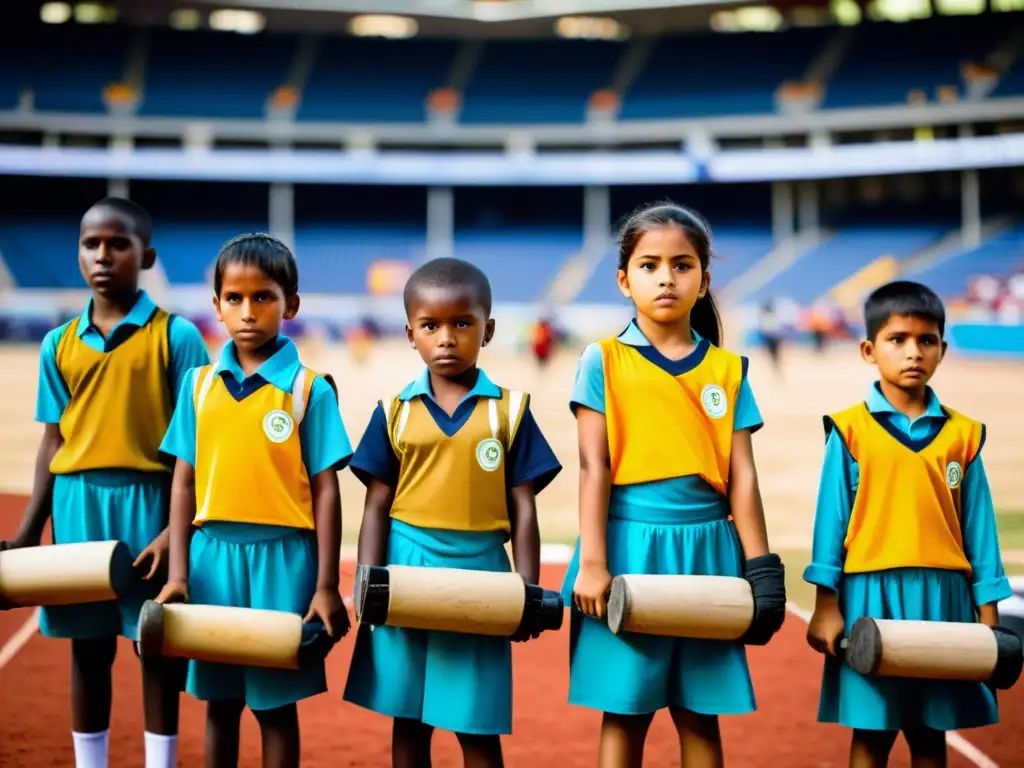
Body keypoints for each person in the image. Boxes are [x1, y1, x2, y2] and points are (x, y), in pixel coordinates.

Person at [564, 202, 787, 768]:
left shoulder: (727, 370)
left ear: (704, 279)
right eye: (649, 265)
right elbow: (594, 466)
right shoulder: (603, 361)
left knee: (698, 713)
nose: (666, 277)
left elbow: (744, 476)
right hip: (627, 547)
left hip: (709, 551)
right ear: (623, 279)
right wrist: (592, 561)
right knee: (626, 710)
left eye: (682, 265)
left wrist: (761, 568)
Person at [1, 197, 210, 768]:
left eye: (118, 244)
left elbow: (194, 449)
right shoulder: (58, 344)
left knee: (156, 643)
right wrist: (25, 536)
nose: (102, 255)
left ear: (147, 256)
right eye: (91, 244)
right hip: (78, 509)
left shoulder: (178, 337)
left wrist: (177, 531)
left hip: (151, 506)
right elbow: (54, 442)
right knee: (87, 650)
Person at [343, 257, 562, 768]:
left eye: (461, 324)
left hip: (482, 573)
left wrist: (525, 589)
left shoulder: (509, 411)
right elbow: (377, 504)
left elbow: (523, 508)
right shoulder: (394, 410)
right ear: (410, 333)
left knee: (475, 725)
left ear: (487, 330)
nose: (446, 338)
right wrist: (367, 579)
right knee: (410, 720)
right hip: (405, 567)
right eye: (431, 326)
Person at [156, 233, 352, 768]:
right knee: (220, 705)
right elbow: (182, 483)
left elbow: (327, 492)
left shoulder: (310, 389)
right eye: (235, 299)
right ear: (216, 305)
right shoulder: (197, 386)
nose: (248, 311)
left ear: (290, 304)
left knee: (274, 708)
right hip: (210, 560)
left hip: (283, 562)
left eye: (263, 297)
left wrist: (326, 584)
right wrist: (177, 575)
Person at [804, 280, 1015, 768]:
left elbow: (980, 534)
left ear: (943, 347)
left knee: (929, 732)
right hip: (868, 596)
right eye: (897, 340)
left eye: (926, 340)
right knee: (873, 733)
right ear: (868, 350)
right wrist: (825, 605)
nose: (913, 352)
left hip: (945, 598)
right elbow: (829, 525)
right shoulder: (849, 429)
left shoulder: (963, 434)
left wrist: (989, 621)